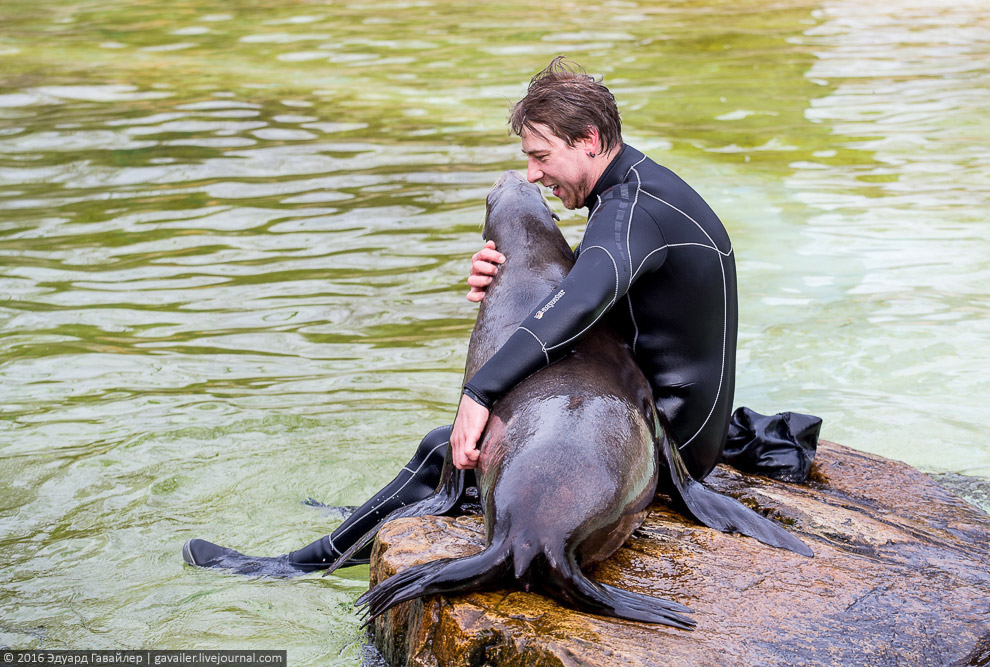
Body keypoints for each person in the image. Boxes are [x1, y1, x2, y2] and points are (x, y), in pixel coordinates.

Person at [182, 57, 794, 575]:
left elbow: (578, 305)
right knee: (461, 449)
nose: (534, 174)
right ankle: (355, 527)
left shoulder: (631, 211)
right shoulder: (641, 196)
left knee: (448, 449)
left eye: (541, 156)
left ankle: (301, 564)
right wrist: (501, 277)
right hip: (647, 407)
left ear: (587, 141)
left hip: (669, 440)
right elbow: (603, 293)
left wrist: (480, 391)